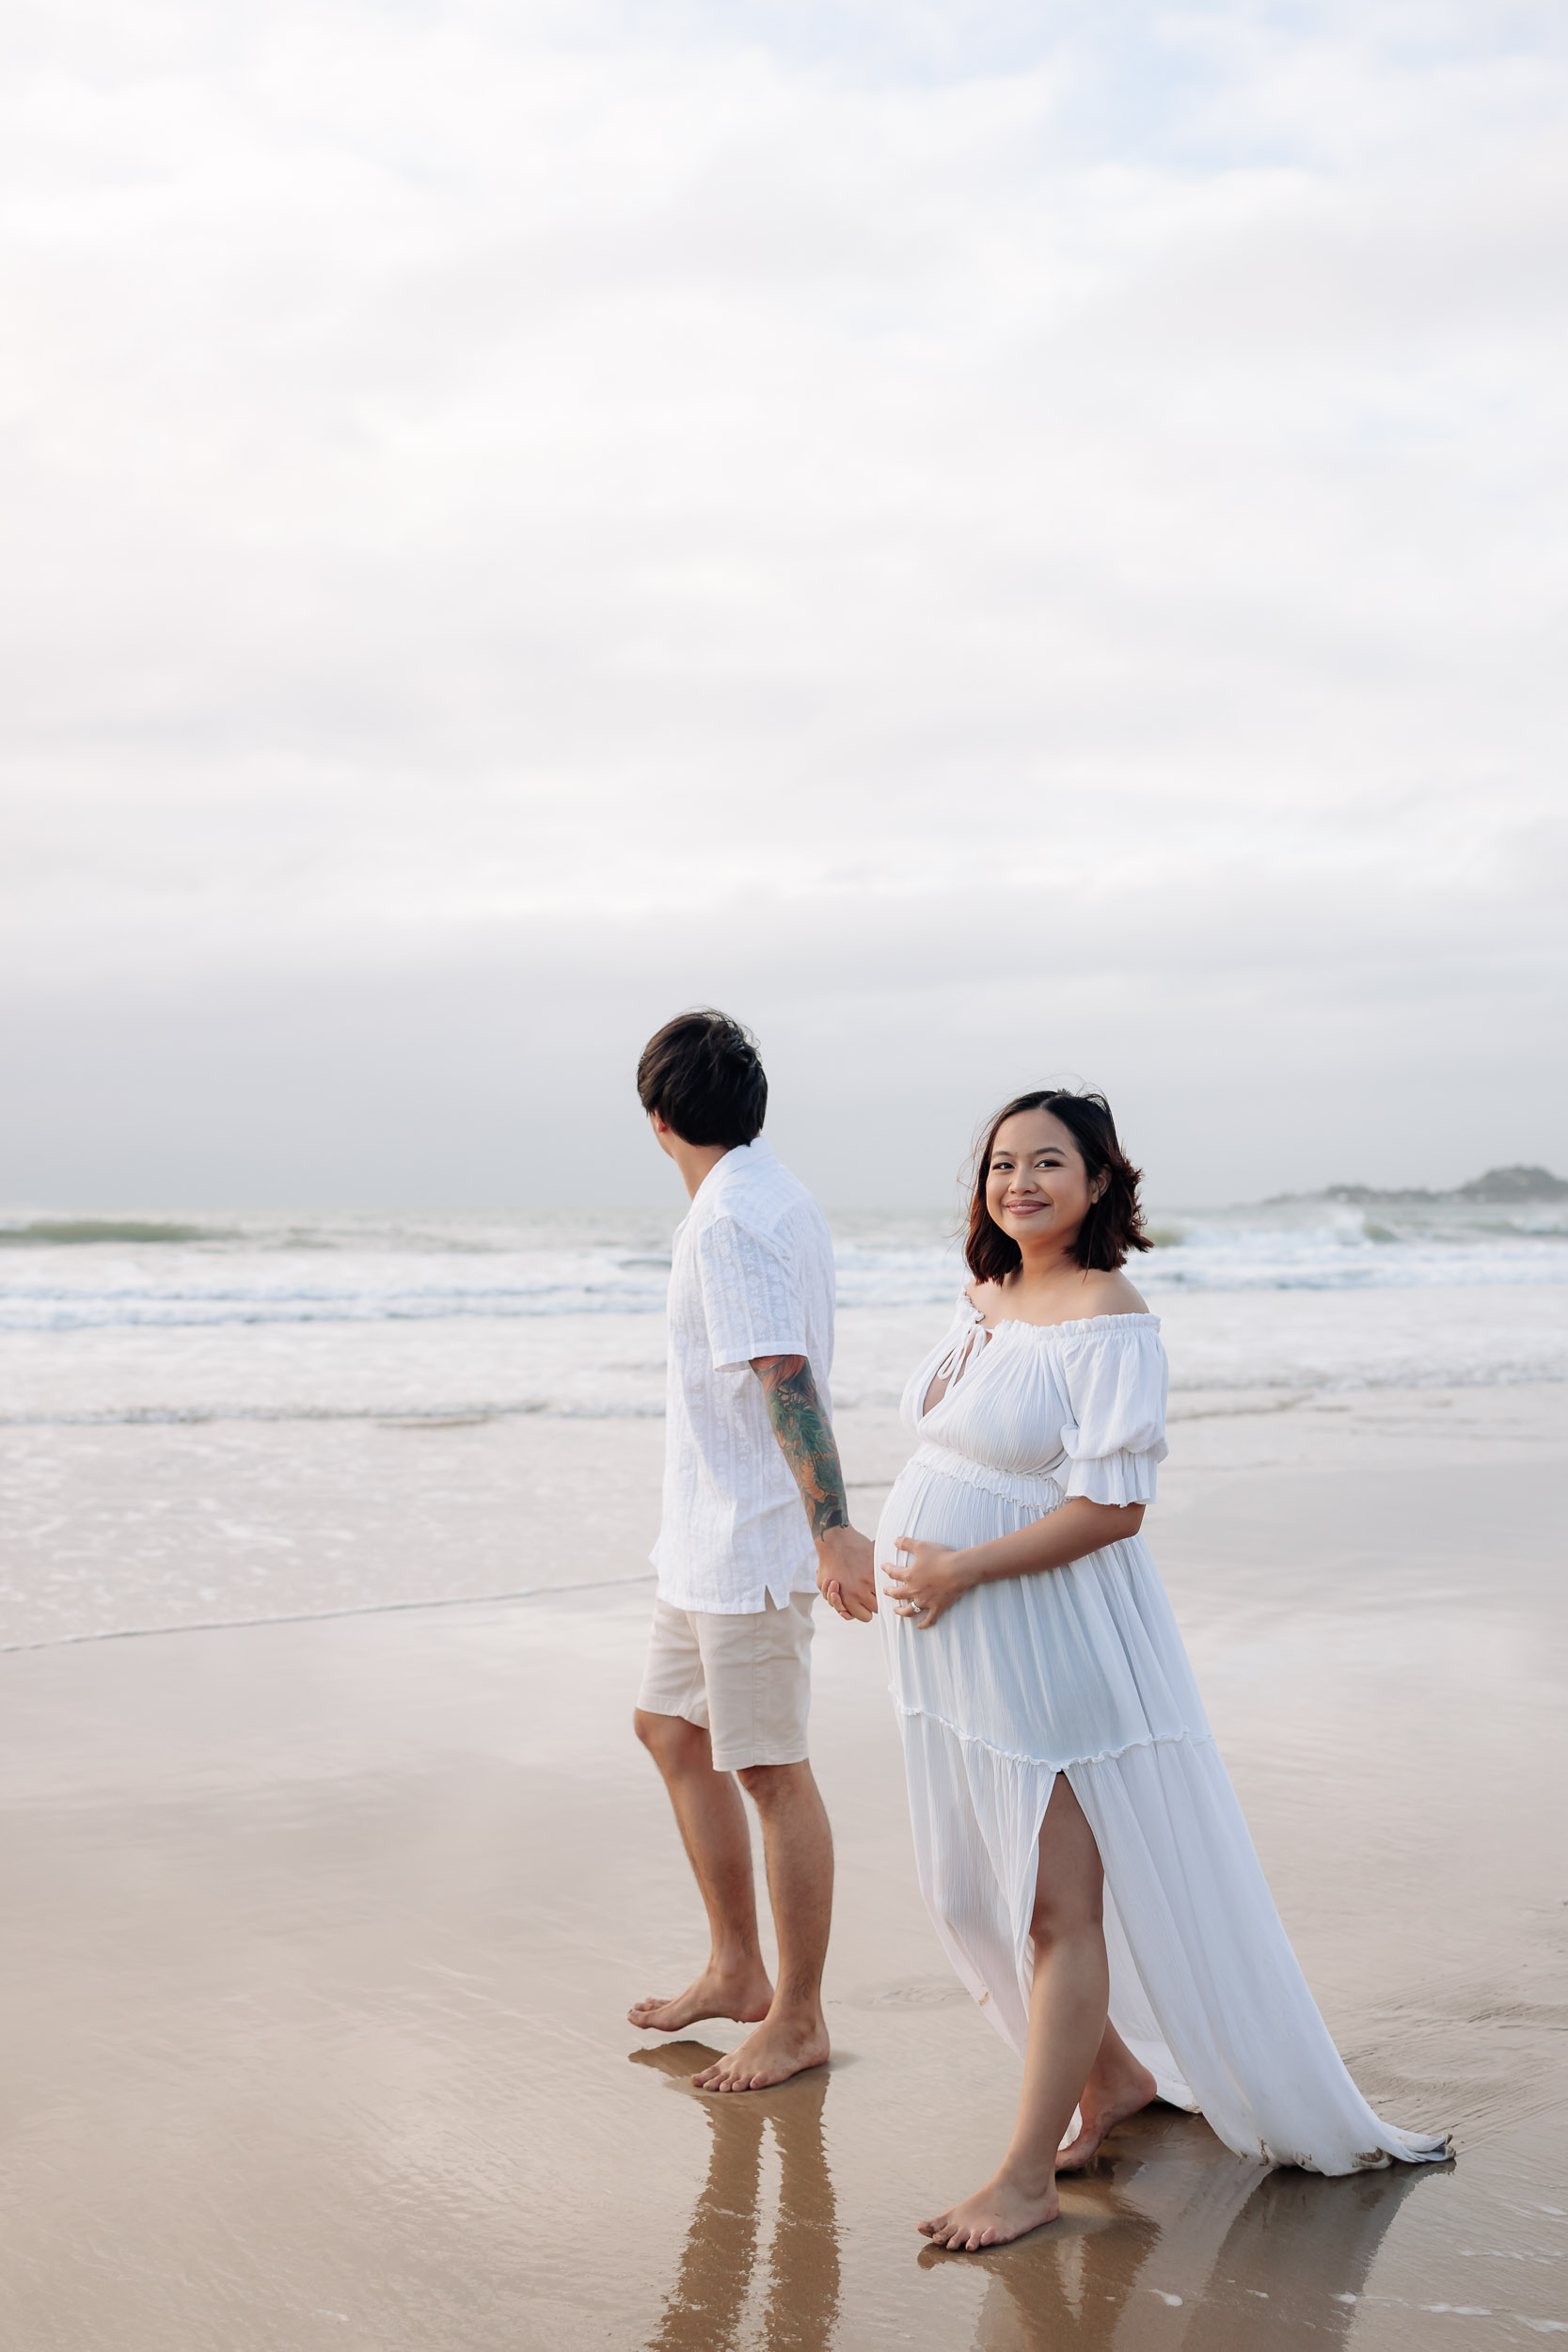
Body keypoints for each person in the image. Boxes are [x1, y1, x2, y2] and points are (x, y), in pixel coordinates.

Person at [875, 1089, 1449, 2249]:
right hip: (956, 1643)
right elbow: (953, 1448)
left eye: (1047, 1162)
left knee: (1052, 1905)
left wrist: (961, 1569)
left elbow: (1112, 1507)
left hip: (1044, 1635)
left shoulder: (1108, 1311)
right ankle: (1119, 2079)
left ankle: (1027, 2173)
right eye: (1000, 1163)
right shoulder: (982, 1296)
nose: (1018, 1181)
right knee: (966, 1889)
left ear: (1097, 1183)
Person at [629, 1009, 878, 2093]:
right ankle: (736, 1966)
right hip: (702, 1536)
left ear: (657, 1120)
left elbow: (785, 1373)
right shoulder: (764, 1194)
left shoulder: (731, 1216)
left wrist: (830, 1526)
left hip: (751, 1539)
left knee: (771, 1769)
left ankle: (799, 2016)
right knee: (668, 1729)